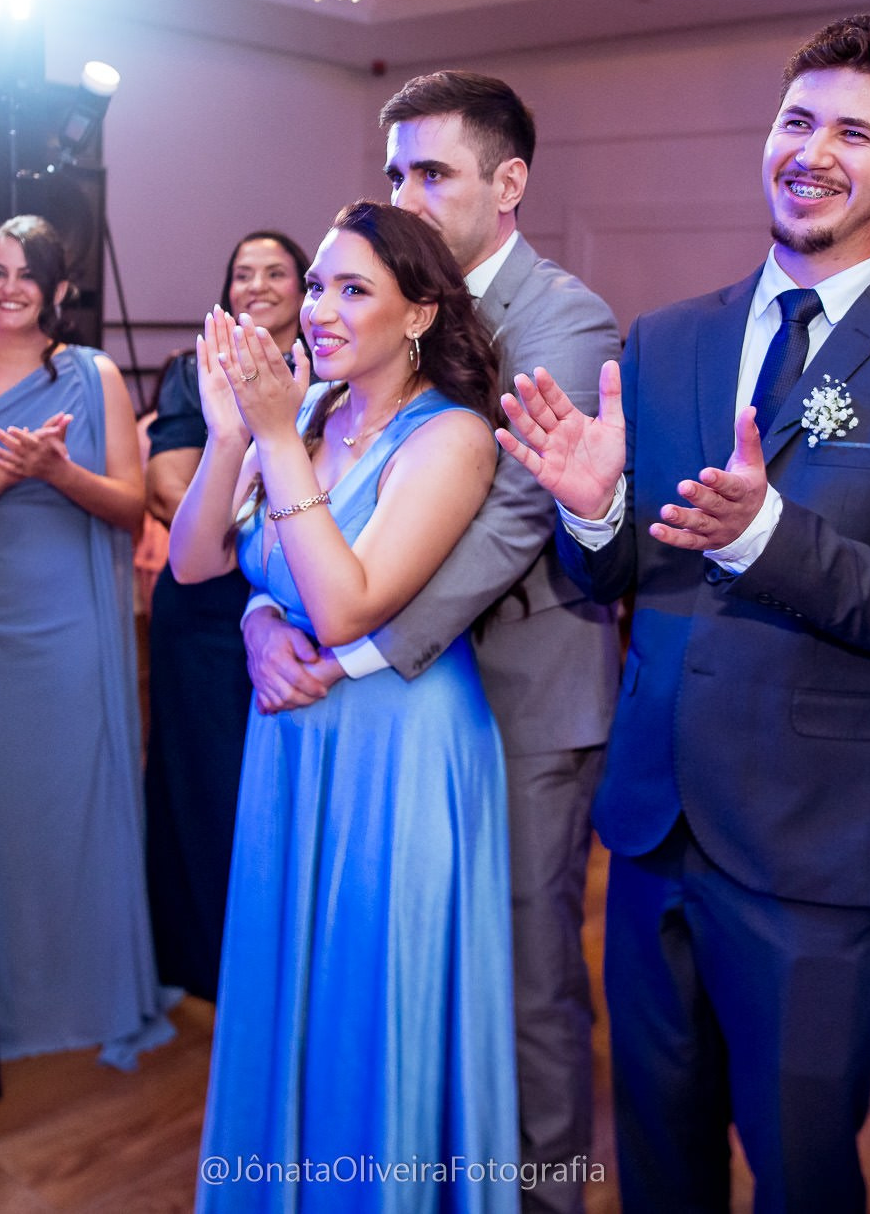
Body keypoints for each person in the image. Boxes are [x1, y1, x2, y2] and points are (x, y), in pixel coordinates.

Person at [500, 15, 870, 1213]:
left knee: (798, 1168)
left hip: (817, 847)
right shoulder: (668, 338)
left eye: (852, 131)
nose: (810, 151)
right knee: (659, 1158)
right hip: (654, 821)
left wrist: (764, 534)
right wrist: (587, 514)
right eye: (794, 120)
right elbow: (611, 580)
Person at [241, 72, 621, 1214]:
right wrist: (270, 616)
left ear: (506, 186)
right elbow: (297, 509)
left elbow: (508, 518)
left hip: (515, 695)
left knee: (523, 983)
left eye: (432, 172)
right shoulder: (362, 317)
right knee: (381, 969)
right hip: (373, 701)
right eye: (395, 170)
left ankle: (541, 1200)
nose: (404, 190)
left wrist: (344, 644)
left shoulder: (563, 316)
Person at [174, 201, 518, 1212]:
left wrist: (274, 437)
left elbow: (345, 602)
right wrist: (231, 436)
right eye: (316, 285)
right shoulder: (309, 414)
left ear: (418, 314)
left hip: (399, 747)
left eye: (351, 288)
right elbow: (198, 561)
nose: (317, 308)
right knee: (294, 991)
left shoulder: (452, 437)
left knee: (373, 999)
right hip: (292, 740)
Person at [0, 215, 171, 1065]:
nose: (10, 286)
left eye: (29, 273)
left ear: (59, 289)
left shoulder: (95, 377)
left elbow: (134, 508)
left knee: (70, 808)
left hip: (68, 630)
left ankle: (87, 986)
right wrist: (4, 475)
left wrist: (60, 473)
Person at [143, 228, 310, 1003]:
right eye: (243, 271)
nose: (258, 283)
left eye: (276, 270)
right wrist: (251, 509)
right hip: (204, 610)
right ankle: (207, 962)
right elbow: (170, 484)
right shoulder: (191, 373)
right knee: (205, 786)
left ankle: (279, 961)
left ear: (304, 285)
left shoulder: (327, 370)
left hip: (298, 600)